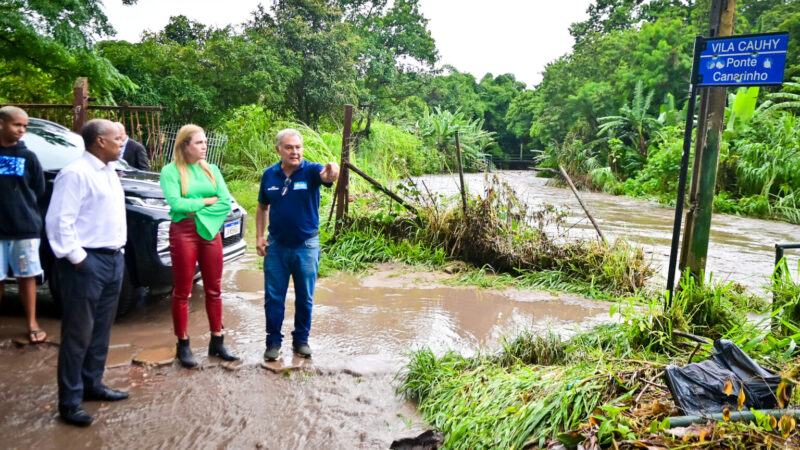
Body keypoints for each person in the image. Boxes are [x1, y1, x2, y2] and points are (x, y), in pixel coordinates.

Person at [45, 119, 129, 427]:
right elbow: (58, 222)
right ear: (99, 142)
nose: (123, 142)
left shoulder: (108, 172)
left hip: (113, 259)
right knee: (77, 334)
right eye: (116, 138)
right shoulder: (75, 174)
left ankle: (92, 385)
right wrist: (80, 259)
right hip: (87, 263)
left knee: (101, 331)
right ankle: (69, 402)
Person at [256, 128, 339, 362]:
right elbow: (262, 207)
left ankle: (301, 340)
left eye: (298, 147)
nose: (295, 152)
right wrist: (259, 237)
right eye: (289, 147)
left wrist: (332, 172)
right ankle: (273, 342)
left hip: (306, 245)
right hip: (277, 247)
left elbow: (326, 176)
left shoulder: (311, 171)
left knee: (305, 297)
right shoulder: (269, 175)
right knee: (273, 297)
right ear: (278, 150)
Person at [160, 124, 238, 368]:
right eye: (199, 143)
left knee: (214, 289)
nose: (205, 146)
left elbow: (225, 202)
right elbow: (176, 203)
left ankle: (217, 341)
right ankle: (183, 344)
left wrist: (198, 209)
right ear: (185, 145)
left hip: (210, 231)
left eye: (205, 142)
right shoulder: (170, 172)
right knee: (183, 290)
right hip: (183, 232)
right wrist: (206, 201)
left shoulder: (212, 169)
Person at [0, 106, 47, 344]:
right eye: (16, 125)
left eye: (24, 127)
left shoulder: (28, 157)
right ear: (1, 123)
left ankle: (32, 322)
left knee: (26, 275)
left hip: (24, 227)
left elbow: (38, 189)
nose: (21, 130)